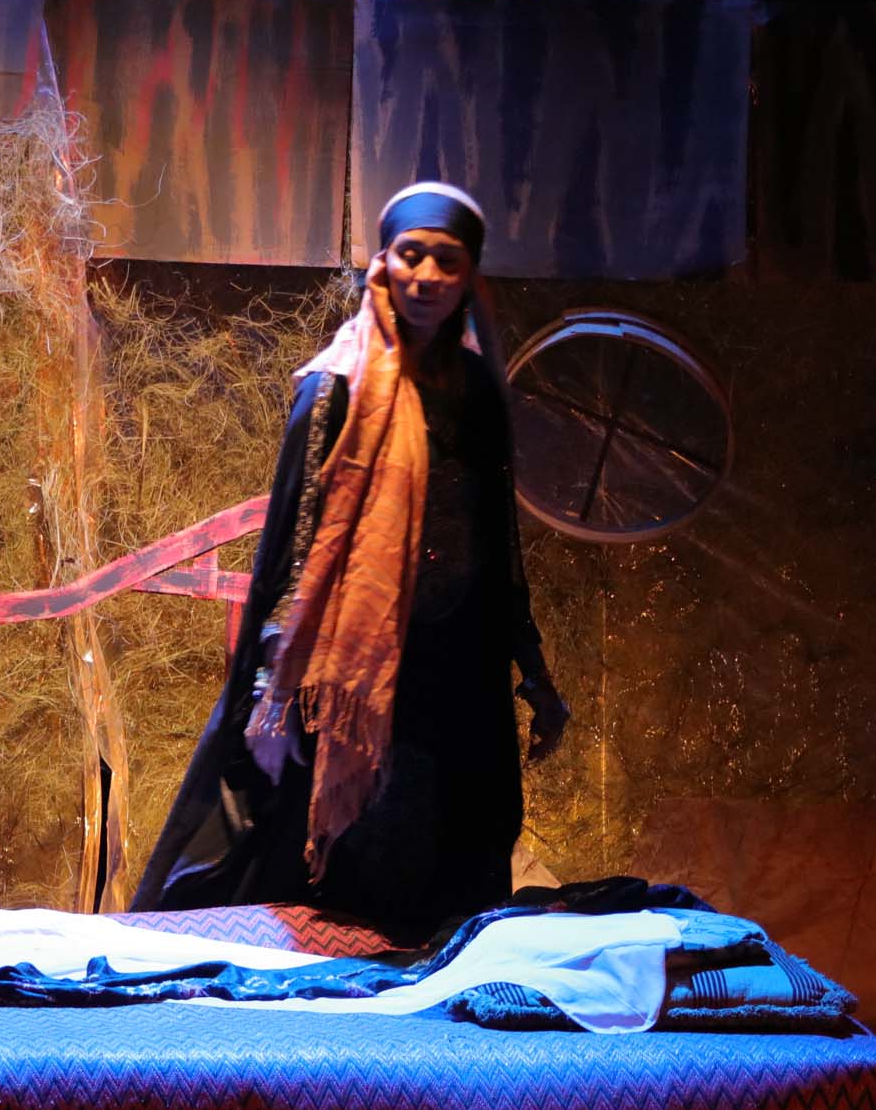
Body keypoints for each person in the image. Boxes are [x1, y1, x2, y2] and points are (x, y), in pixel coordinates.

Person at [126, 182, 573, 935]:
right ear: (383, 264)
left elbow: (497, 540)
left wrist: (531, 666)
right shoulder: (337, 388)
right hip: (358, 673)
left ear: (469, 275)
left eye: (446, 261)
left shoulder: (475, 391)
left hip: (460, 671)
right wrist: (273, 691)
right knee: (341, 867)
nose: (426, 276)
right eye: (411, 255)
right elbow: (295, 547)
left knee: (460, 869)